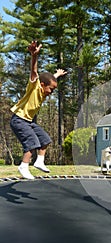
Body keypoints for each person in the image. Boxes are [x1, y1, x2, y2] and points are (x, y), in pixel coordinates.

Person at [10, 41, 67, 180]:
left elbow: (49, 80)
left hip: (28, 121)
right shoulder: (34, 86)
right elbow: (34, 72)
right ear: (42, 85)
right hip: (19, 119)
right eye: (51, 90)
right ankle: (23, 166)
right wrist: (34, 56)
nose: (51, 92)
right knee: (32, 143)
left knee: (45, 139)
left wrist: (57, 75)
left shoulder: (44, 89)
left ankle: (39, 161)